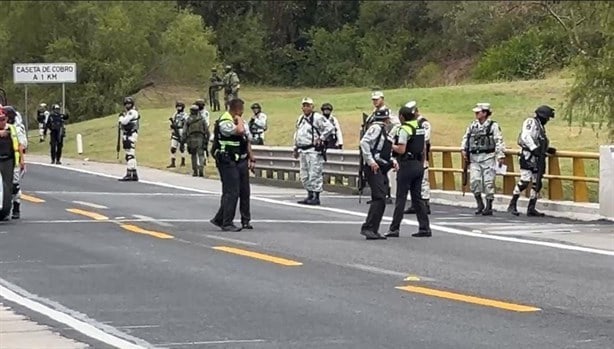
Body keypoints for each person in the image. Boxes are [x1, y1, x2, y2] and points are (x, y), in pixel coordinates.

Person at [386, 105, 431, 238]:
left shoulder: (404, 129)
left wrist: (389, 145)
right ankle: (425, 227)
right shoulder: (420, 127)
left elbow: (401, 149)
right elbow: (423, 147)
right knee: (418, 198)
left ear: (401, 117)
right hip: (418, 164)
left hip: (406, 165)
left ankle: (394, 228)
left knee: (401, 198)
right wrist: (422, 163)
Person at [209, 98, 255, 231]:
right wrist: (239, 120)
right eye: (241, 111)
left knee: (244, 191)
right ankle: (226, 222)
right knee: (231, 192)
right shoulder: (225, 121)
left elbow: (246, 139)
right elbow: (240, 131)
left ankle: (242, 220)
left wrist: (251, 157)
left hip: (240, 159)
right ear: (237, 110)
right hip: (227, 160)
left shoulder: (240, 121)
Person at [507, 105, 557, 217]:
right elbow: (526, 136)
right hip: (527, 155)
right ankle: (512, 204)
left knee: (537, 182)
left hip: (538, 157)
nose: (547, 120)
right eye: (547, 118)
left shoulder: (540, 127)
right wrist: (534, 149)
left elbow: (539, 141)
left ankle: (531, 207)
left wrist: (546, 150)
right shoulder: (531, 122)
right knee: (525, 181)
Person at [460, 103, 506, 215]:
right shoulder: (472, 125)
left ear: (485, 113)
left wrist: (500, 155)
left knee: (488, 182)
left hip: (488, 157)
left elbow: (499, 140)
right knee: (475, 181)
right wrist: (463, 149)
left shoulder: (493, 126)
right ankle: (479, 204)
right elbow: (466, 137)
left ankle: (489, 206)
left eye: (478, 112)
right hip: (475, 158)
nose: (476, 114)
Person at [359, 108, 395, 240]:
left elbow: (383, 149)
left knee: (381, 197)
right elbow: (364, 142)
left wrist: (391, 161)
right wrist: (370, 161)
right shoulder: (376, 128)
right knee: (379, 197)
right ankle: (369, 228)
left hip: (380, 166)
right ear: (386, 119)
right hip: (374, 167)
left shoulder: (383, 130)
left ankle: (373, 229)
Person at [293, 97, 335, 205]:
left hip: (313, 151)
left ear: (312, 107)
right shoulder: (300, 119)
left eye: (308, 105)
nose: (306, 108)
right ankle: (309, 194)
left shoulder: (317, 118)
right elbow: (297, 133)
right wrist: (295, 148)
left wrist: (321, 138)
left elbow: (329, 128)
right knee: (304, 175)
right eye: (304, 105)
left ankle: (316, 196)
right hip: (303, 150)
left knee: (314, 173)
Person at [403, 101, 432, 214]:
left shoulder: (424, 123)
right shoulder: (410, 123)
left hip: (421, 155)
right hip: (411, 156)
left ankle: (425, 203)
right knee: (413, 182)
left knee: (423, 180)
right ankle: (415, 204)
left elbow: (424, 140)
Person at [369, 90, 397, 204]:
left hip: (383, 144)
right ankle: (378, 194)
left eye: (377, 99)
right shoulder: (373, 112)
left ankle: (386, 193)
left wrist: (389, 136)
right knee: (376, 171)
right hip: (374, 144)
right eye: (374, 100)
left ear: (382, 99)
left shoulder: (387, 112)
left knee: (383, 169)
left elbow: (397, 124)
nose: (375, 102)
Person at [2, 106, 26, 219]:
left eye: (4, 118)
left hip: (11, 161)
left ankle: (15, 207)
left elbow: (21, 145)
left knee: (13, 185)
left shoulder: (14, 129)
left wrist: (22, 160)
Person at [118, 97, 140, 181]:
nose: (128, 105)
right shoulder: (129, 112)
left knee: (129, 154)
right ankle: (134, 173)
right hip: (128, 134)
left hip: (131, 134)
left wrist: (120, 118)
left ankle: (129, 173)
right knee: (130, 154)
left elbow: (124, 122)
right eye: (126, 104)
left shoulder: (132, 112)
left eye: (129, 104)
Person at [183, 104, 208, 177]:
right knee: (201, 154)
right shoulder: (202, 119)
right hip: (201, 138)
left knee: (193, 155)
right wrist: (206, 139)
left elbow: (184, 131)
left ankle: (195, 171)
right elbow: (206, 130)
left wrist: (183, 141)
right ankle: (201, 169)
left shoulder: (188, 120)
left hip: (191, 138)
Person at [166, 101, 187, 168]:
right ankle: (173, 162)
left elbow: (186, 124)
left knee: (182, 148)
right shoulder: (175, 114)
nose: (179, 108)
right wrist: (172, 126)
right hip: (175, 132)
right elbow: (173, 122)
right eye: (178, 106)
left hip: (182, 132)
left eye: (180, 106)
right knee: (173, 148)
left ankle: (183, 161)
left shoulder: (185, 115)